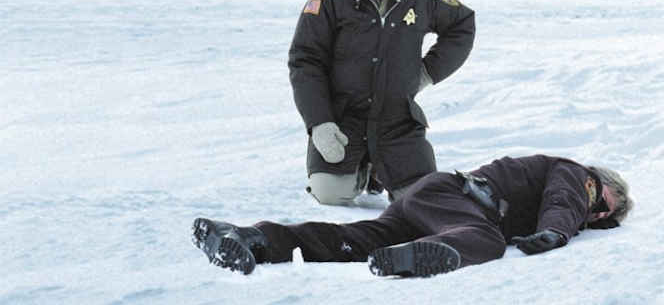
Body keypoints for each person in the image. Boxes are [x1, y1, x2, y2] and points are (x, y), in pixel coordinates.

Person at [191, 154, 634, 277]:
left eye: (603, 219)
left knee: (354, 241)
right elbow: (564, 199)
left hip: (429, 203)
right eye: (604, 204)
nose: (596, 213)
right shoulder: (576, 175)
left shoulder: (577, 198)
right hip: (457, 201)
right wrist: (556, 232)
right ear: (600, 181)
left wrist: (559, 228)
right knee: (484, 240)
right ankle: (419, 255)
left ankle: (250, 238)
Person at [289, 0, 476, 206]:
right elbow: (305, 60)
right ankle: (361, 170)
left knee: (421, 198)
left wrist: (427, 72)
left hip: (397, 120)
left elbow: (463, 23)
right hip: (344, 116)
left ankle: (382, 169)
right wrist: (319, 122)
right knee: (330, 194)